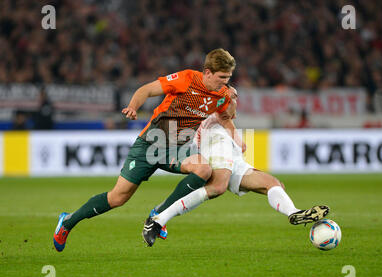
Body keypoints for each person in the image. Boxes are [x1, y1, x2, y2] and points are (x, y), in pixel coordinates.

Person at [53, 48, 237, 252]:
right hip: (150, 143)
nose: (225, 82)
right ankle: (67, 222)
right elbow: (146, 90)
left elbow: (225, 116)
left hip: (177, 148)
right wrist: (133, 106)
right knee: (117, 198)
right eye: (222, 77)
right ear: (208, 72)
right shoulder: (186, 79)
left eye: (228, 78)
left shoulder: (222, 94)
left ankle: (159, 215)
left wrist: (236, 137)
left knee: (203, 169)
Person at [143, 86, 330, 246]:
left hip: (230, 153)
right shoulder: (212, 104)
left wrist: (236, 139)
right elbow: (222, 111)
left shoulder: (221, 109)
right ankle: (159, 219)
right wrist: (236, 131)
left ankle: (294, 212)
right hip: (215, 141)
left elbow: (226, 116)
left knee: (272, 183)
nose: (233, 99)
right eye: (232, 95)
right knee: (217, 187)